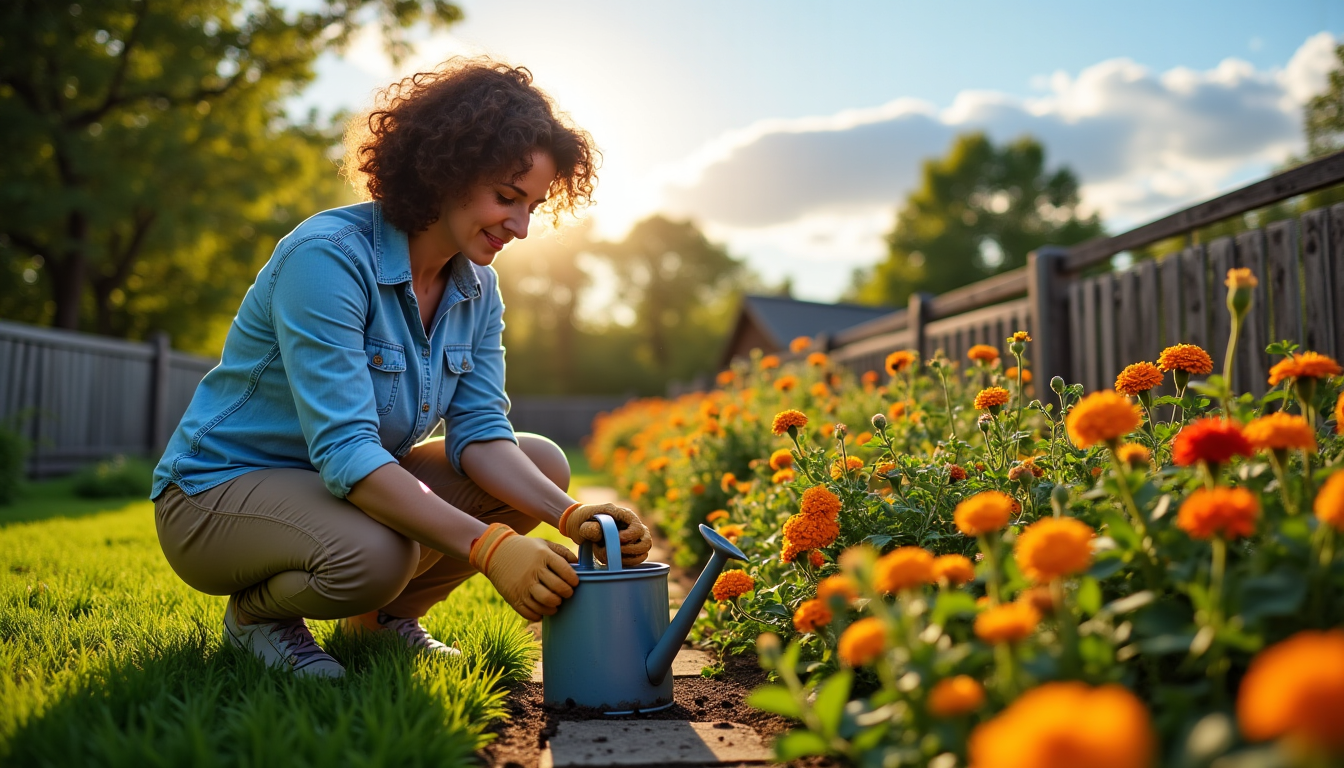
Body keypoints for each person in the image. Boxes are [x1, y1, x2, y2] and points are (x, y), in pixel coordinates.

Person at [150, 59, 653, 678]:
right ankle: (258, 618)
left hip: (334, 488)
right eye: (506, 198)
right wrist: (491, 548)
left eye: (533, 207)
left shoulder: (477, 290)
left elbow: (482, 435)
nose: (521, 227)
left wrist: (571, 516)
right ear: (446, 169)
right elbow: (347, 452)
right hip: (217, 494)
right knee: (380, 553)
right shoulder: (326, 259)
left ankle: (382, 623)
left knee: (542, 462)